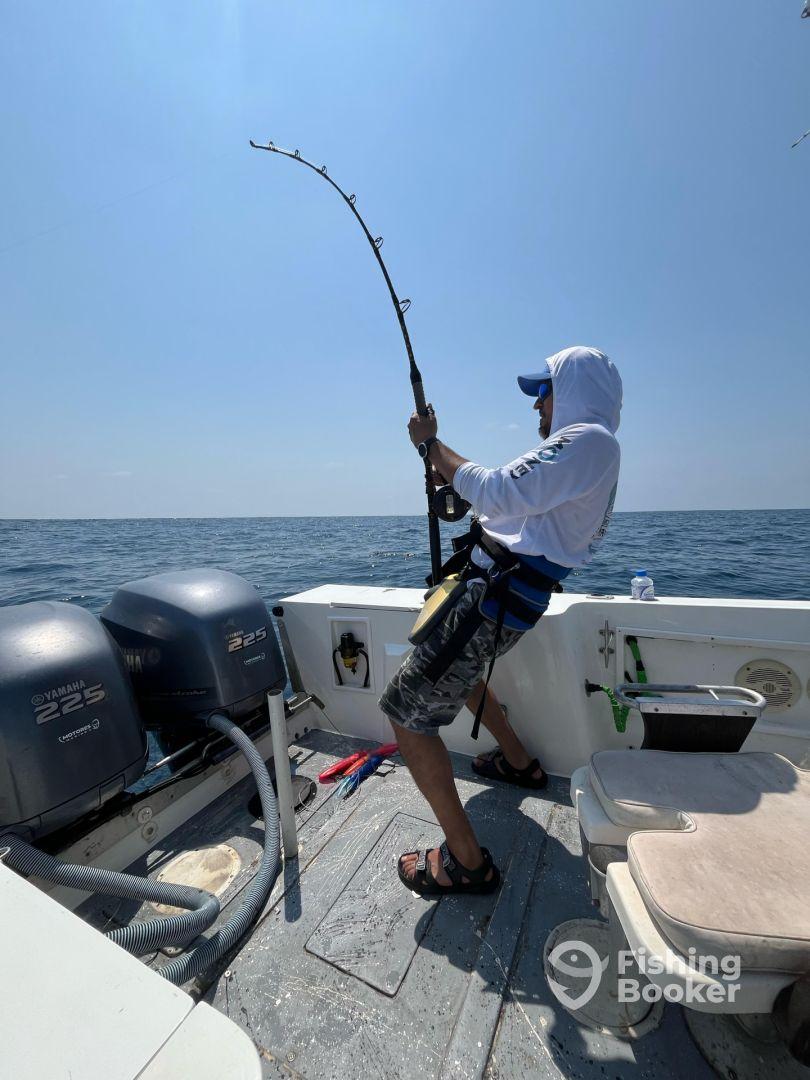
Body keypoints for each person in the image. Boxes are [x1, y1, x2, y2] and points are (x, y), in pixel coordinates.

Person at [378, 345, 623, 896]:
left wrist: (431, 444)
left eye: (544, 392)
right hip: (503, 596)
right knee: (461, 678)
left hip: (489, 599)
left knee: (406, 714)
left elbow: (497, 489)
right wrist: (463, 489)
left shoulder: (588, 441)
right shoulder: (589, 450)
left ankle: (467, 862)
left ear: (575, 392)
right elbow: (511, 507)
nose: (538, 407)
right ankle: (518, 763)